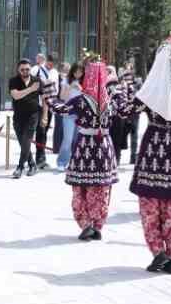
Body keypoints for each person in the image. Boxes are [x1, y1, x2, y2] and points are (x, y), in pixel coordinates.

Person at [129, 38, 171, 274]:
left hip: (154, 150)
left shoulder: (150, 90)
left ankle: (159, 252)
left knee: (150, 204)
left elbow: (126, 111)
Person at [51, 60, 130, 240]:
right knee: (102, 188)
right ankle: (97, 225)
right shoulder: (111, 99)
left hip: (85, 145)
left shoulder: (81, 100)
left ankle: (85, 223)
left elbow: (62, 110)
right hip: (104, 147)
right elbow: (125, 110)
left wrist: (51, 99)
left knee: (80, 187)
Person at [9, 60, 41, 178]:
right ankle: (32, 164)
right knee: (23, 143)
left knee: (27, 140)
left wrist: (45, 116)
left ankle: (20, 167)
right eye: (22, 69)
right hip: (18, 116)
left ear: (30, 69)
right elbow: (15, 96)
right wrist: (31, 89)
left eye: (27, 69)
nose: (25, 71)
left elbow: (44, 97)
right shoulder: (13, 80)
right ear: (18, 69)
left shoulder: (37, 80)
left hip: (33, 115)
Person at [33, 52, 58, 169]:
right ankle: (39, 158)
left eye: (52, 64)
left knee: (45, 131)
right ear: (46, 60)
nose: (50, 66)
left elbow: (56, 88)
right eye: (49, 63)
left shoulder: (54, 72)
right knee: (40, 131)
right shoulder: (36, 70)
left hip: (50, 105)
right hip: (38, 105)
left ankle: (42, 157)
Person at [55, 61, 81, 170]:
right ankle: (62, 162)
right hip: (69, 113)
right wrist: (71, 86)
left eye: (81, 72)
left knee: (79, 139)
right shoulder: (66, 81)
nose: (78, 74)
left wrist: (81, 88)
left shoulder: (85, 81)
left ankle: (75, 162)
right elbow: (62, 97)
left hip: (81, 114)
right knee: (68, 138)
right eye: (76, 72)